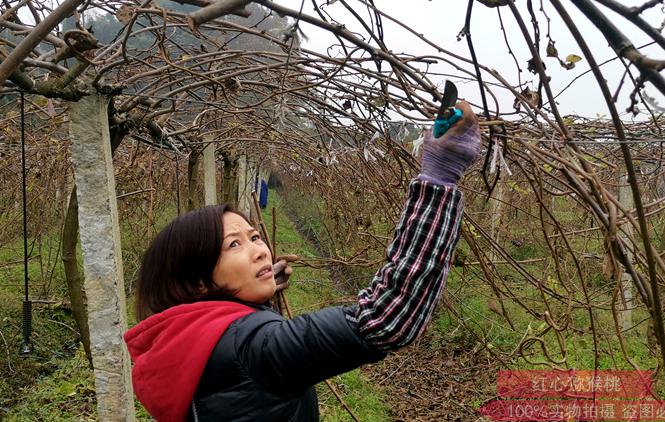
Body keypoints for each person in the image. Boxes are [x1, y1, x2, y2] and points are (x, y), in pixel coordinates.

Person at [124, 101, 481, 421]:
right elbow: (385, 318)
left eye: (254, 236)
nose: (261, 250)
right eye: (234, 245)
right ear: (199, 282)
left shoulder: (182, 344)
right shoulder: (253, 350)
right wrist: (439, 178)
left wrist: (253, 299)